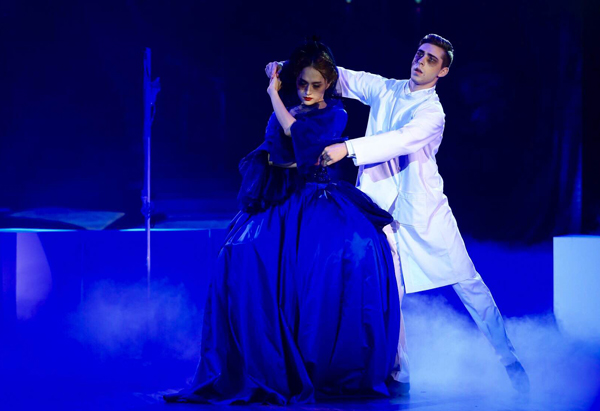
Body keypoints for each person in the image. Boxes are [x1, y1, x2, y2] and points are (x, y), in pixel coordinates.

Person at [266, 33, 530, 395]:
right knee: (391, 292)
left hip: (425, 213)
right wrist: (285, 66)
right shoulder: (387, 89)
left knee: (469, 283)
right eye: (420, 54)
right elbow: (338, 76)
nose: (421, 62)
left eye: (431, 59)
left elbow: (400, 140)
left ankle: (509, 360)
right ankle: (399, 373)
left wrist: (347, 148)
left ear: (443, 71)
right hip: (379, 212)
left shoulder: (432, 113)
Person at [164, 40, 400, 405]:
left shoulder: (335, 114)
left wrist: (273, 92)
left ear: (329, 84)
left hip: (315, 198)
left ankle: (326, 363)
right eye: (302, 83)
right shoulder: (290, 105)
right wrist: (279, 74)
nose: (307, 91)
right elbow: (275, 144)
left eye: (316, 85)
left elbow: (295, 134)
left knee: (343, 257)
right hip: (280, 197)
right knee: (237, 255)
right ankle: (257, 360)